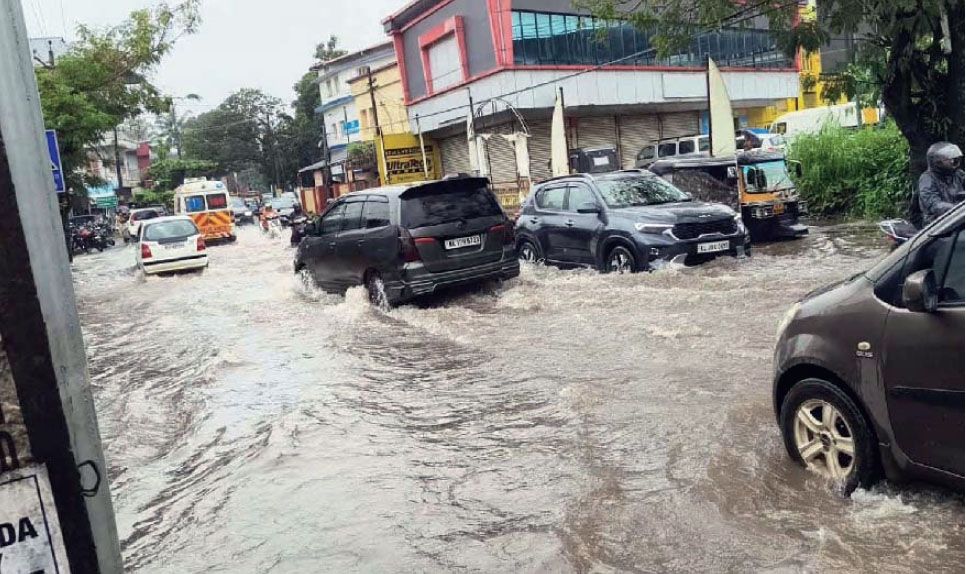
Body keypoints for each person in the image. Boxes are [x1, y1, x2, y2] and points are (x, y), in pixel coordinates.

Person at [917, 142, 965, 226]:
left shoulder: (958, 174)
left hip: (957, 218)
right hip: (937, 224)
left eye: (954, 159)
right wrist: (956, 208)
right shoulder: (927, 179)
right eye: (949, 160)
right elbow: (933, 204)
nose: (953, 162)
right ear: (937, 162)